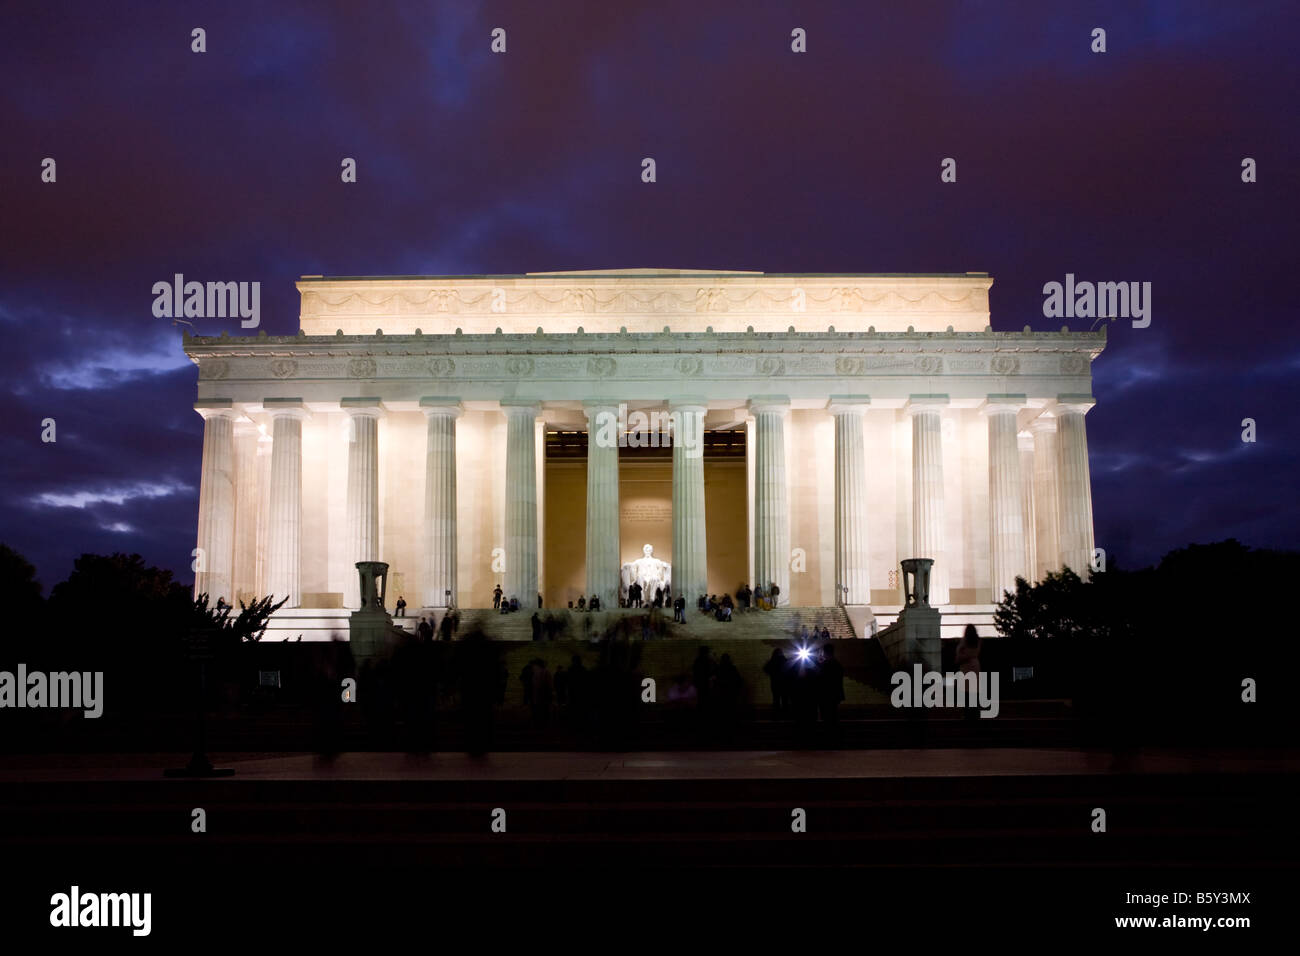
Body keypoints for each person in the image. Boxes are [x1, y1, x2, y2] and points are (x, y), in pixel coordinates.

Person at [955, 625, 982, 721]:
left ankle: (967, 715)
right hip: (975, 667)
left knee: (966, 694)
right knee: (974, 693)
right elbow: (974, 653)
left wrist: (960, 657)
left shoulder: (964, 642)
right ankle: (975, 715)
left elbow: (959, 656)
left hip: (965, 668)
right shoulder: (977, 641)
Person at [818, 644, 844, 727]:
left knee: (827, 717)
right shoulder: (837, 664)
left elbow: (821, 679)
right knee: (833, 715)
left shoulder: (826, 665)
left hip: (826, 695)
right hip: (835, 694)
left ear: (825, 652)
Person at [763, 648, 789, 714]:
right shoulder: (785, 661)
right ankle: (785, 714)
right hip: (784, 684)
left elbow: (766, 669)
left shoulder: (772, 662)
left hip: (775, 683)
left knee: (776, 699)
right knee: (784, 700)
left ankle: (776, 713)